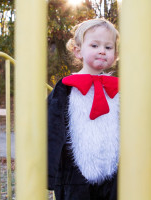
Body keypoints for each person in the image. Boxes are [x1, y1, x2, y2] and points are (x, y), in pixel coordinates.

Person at [47, 18, 119, 200]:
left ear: (115, 54)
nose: (102, 51)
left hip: (114, 173)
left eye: (108, 47)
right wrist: (48, 172)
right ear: (78, 51)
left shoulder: (118, 88)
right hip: (74, 176)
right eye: (94, 45)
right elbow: (52, 128)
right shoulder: (66, 88)